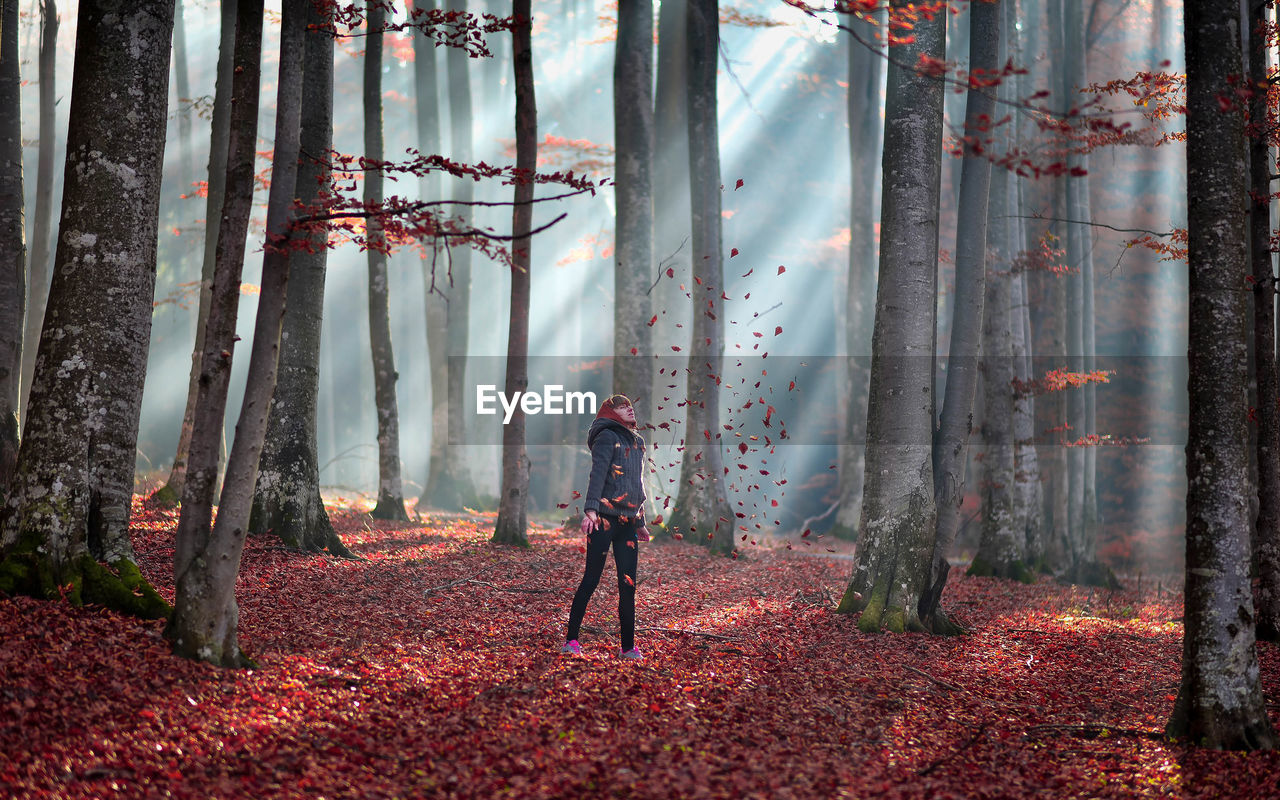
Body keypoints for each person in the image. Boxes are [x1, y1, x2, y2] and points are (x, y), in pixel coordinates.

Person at [562, 394, 650, 660]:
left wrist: (641, 521)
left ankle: (628, 647)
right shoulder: (606, 437)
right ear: (610, 412)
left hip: (628, 523)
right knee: (591, 579)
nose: (630, 408)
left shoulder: (638, 441)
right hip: (603, 518)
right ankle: (572, 640)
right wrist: (590, 510)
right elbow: (598, 472)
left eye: (631, 405)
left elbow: (637, 483)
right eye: (622, 406)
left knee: (628, 584)